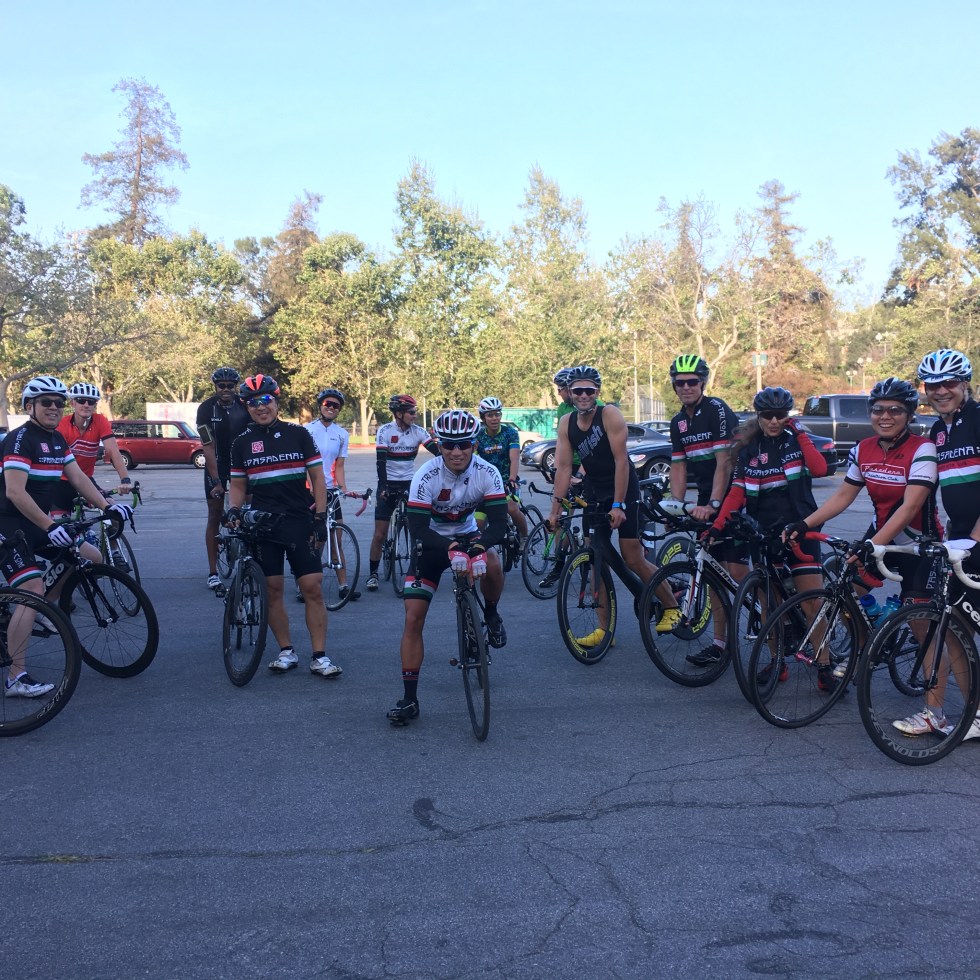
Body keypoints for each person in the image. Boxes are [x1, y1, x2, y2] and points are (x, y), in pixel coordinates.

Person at [784, 377, 940, 700]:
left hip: (917, 544)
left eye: (895, 410)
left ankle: (935, 709)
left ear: (910, 414)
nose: (885, 416)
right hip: (879, 535)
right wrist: (805, 523)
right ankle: (867, 642)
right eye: (878, 409)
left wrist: (873, 544)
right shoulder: (862, 449)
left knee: (920, 624)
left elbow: (910, 506)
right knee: (845, 593)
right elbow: (843, 496)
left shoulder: (923, 449)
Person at [0, 376, 133, 697]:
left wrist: (108, 506)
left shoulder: (58, 440)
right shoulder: (20, 439)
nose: (54, 408)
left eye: (59, 403)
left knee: (90, 556)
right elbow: (15, 493)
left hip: (34, 523)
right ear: (29, 407)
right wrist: (50, 526)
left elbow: (79, 479)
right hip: (7, 524)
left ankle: (41, 610)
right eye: (46, 402)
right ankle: (16, 678)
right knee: (31, 588)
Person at [387, 410, 508, 726]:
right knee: (413, 617)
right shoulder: (426, 475)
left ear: (474, 444)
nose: (456, 452)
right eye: (448, 445)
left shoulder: (488, 472)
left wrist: (478, 547)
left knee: (493, 561)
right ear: (439, 445)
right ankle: (409, 698)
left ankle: (491, 614)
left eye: (463, 444)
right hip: (432, 542)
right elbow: (417, 528)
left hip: (469, 536)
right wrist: (450, 548)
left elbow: (499, 524)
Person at [547, 365, 678, 647]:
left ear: (597, 392)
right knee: (596, 557)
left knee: (632, 557)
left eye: (589, 390)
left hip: (623, 488)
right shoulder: (566, 422)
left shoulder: (609, 414)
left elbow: (621, 462)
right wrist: (555, 511)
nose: (583, 395)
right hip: (594, 489)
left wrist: (618, 504)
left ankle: (671, 605)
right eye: (578, 390)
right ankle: (604, 630)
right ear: (570, 393)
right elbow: (564, 467)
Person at [711, 386, 830, 683]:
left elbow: (819, 469)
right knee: (769, 604)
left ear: (788, 416)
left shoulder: (796, 442)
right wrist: (717, 525)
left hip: (800, 531)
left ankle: (825, 666)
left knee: (811, 602)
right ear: (759, 416)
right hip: (763, 534)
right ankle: (777, 662)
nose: (774, 421)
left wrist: (800, 433)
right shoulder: (749, 450)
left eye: (780, 415)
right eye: (768, 415)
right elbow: (736, 493)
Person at [227, 375, 341, 679]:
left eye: (266, 400)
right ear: (246, 408)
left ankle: (320, 656)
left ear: (277, 402)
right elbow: (237, 485)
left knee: (312, 586)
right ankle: (286, 651)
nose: (260, 407)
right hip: (263, 525)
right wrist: (234, 509)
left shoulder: (298, 434)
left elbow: (318, 478)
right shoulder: (241, 443)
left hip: (298, 520)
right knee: (273, 589)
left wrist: (320, 517)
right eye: (253, 403)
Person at [916, 348, 980, 740]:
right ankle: (969, 713)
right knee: (956, 626)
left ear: (964, 384)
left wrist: (973, 541)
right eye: (932, 385)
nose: (940, 391)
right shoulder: (938, 430)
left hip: (974, 539)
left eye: (949, 383)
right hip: (960, 538)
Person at [667, 353, 742, 665]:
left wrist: (714, 504)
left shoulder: (716, 409)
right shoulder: (677, 422)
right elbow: (679, 467)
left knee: (738, 573)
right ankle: (720, 645)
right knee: (712, 573)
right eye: (680, 382)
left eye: (692, 382)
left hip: (734, 495)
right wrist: (675, 506)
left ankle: (775, 628)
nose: (686, 387)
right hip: (705, 498)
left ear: (703, 383)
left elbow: (724, 463)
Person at [364, 394, 439, 591]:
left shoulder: (418, 431)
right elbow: (380, 462)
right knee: (380, 534)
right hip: (388, 482)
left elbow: (438, 452)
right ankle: (373, 574)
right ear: (399, 414)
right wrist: (383, 487)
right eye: (411, 412)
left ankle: (417, 569)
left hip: (409, 483)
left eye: (415, 412)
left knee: (417, 529)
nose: (415, 415)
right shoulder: (385, 431)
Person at [301, 387, 358, 603]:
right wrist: (311, 485)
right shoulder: (307, 430)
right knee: (313, 541)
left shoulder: (342, 434)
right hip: (309, 490)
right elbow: (304, 462)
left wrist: (343, 488)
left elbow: (339, 466)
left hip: (330, 492)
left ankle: (343, 586)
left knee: (336, 538)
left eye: (336, 405)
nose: (331, 408)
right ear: (320, 406)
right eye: (328, 404)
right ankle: (305, 586)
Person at [197, 367, 250, 591]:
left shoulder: (244, 405)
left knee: (249, 512)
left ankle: (251, 564)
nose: (226, 389)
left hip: (242, 465)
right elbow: (208, 446)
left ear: (236, 387)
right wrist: (216, 480)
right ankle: (213, 573)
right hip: (217, 464)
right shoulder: (205, 409)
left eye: (230, 386)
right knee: (214, 515)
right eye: (221, 386)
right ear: (215, 387)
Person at [52, 382, 132, 516]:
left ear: (95, 405)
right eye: (81, 400)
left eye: (91, 401)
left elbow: (113, 451)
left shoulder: (100, 421)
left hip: (86, 481)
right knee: (61, 524)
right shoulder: (62, 425)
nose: (86, 405)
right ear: (72, 403)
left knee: (114, 512)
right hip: (61, 482)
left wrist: (125, 480)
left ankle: (111, 529)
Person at [474, 396, 528, 541]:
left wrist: (512, 478)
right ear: (483, 417)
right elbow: (474, 462)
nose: (494, 418)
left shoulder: (510, 433)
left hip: (507, 481)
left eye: (497, 414)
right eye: (490, 415)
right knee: (478, 523)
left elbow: (514, 458)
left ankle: (525, 537)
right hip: (485, 484)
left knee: (512, 508)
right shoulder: (478, 436)